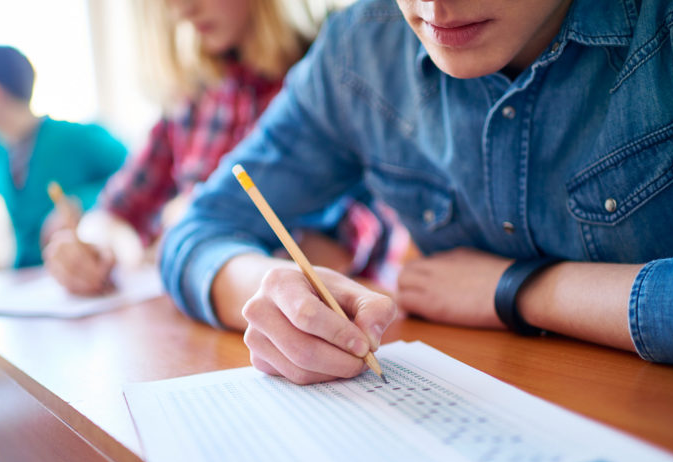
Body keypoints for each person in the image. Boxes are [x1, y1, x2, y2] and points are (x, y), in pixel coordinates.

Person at [160, 0, 673, 381]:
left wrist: (520, 292)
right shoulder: (361, 46)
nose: (436, 5)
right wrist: (275, 293)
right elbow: (197, 231)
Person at [44, 0, 406, 296]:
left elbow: (364, 228)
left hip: (345, 311)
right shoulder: (191, 95)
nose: (180, 9)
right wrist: (99, 249)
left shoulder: (334, 73)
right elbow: (119, 209)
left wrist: (195, 227)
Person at [0, 45, 126, 268]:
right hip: (24, 277)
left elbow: (137, 176)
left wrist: (80, 202)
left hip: (79, 271)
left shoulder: (76, 138)